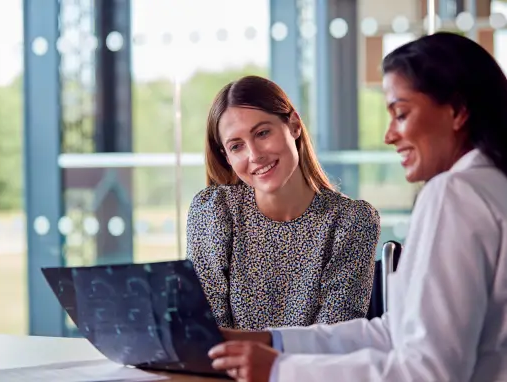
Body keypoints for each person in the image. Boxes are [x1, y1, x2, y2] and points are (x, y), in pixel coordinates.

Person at [208, 32, 507, 382]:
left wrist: (278, 370)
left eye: (401, 114)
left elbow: (429, 372)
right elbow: (392, 333)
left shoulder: (453, 193)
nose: (389, 135)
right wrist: (272, 341)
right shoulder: (493, 186)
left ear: (457, 111)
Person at [186, 75, 381, 331]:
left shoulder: (352, 221)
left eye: (263, 133)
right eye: (237, 146)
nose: (254, 155)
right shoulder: (214, 211)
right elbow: (204, 335)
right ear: (227, 156)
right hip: (226, 372)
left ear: (294, 125)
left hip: (312, 371)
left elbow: (333, 340)